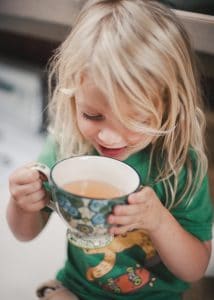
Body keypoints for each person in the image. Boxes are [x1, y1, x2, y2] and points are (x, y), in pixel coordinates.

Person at [7, 1, 213, 299]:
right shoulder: (68, 145)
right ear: (73, 98)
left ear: (170, 105)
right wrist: (21, 202)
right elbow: (25, 233)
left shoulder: (181, 167)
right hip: (79, 288)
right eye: (92, 115)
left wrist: (158, 221)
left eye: (133, 120)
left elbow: (194, 269)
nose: (108, 137)